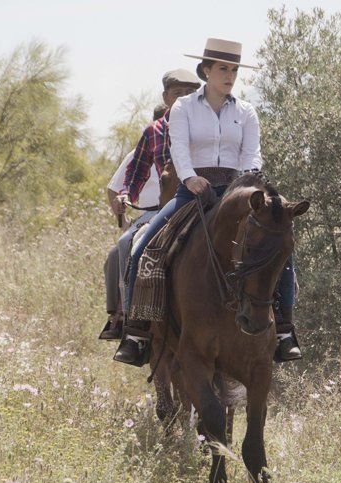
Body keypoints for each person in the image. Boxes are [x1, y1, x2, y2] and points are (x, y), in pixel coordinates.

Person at [114, 38, 302, 366]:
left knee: (279, 248)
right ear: (206, 71)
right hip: (192, 191)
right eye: (222, 69)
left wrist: (243, 184)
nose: (229, 76)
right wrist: (189, 177)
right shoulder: (184, 108)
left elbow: (251, 153)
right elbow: (179, 147)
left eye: (233, 70)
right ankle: (136, 331)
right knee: (144, 248)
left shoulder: (246, 112)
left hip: (237, 193)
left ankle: (284, 329)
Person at [98, 69, 200, 339]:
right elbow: (134, 175)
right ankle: (130, 320)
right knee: (125, 246)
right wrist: (126, 197)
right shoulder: (153, 133)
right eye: (178, 93)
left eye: (190, 93)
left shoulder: (207, 125)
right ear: (166, 97)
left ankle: (275, 324)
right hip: (164, 208)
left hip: (206, 201)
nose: (183, 99)